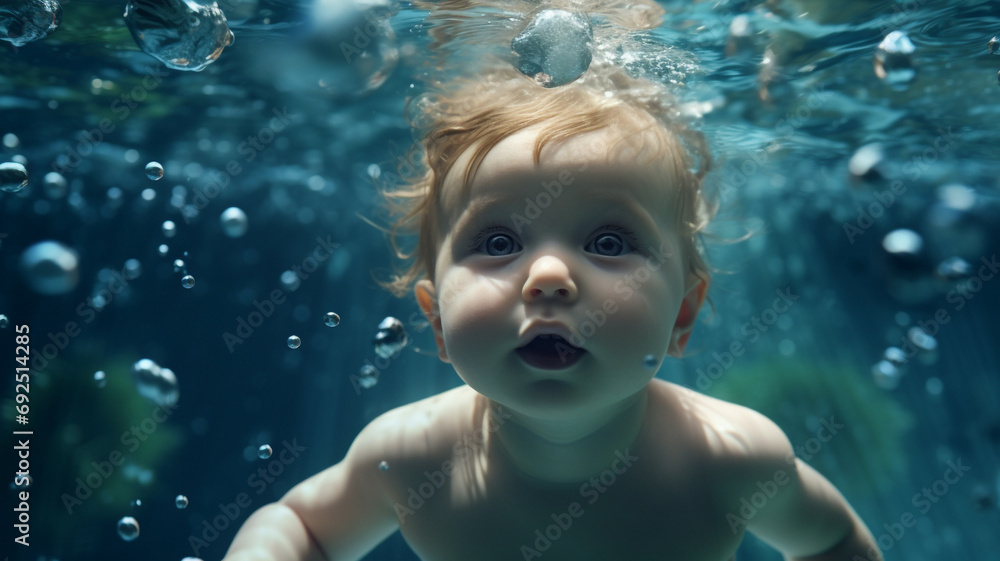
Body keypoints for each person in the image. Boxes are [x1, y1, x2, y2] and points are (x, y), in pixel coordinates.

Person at [221, 62, 883, 561]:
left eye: (608, 242)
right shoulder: (410, 458)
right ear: (438, 323)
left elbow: (836, 543)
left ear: (683, 315)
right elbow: (299, 527)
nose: (548, 276)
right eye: (499, 243)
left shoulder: (730, 460)